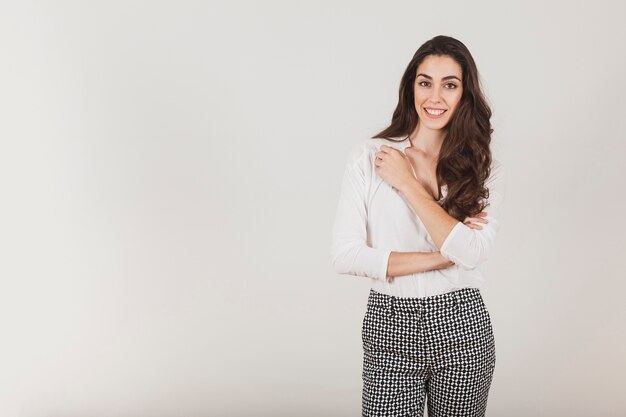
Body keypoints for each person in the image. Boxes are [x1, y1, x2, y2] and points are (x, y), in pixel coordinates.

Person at [330, 35, 506, 417]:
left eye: (450, 85)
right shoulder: (370, 157)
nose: (435, 97)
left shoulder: (479, 164)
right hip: (390, 321)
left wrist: (408, 184)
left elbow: (473, 253)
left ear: (465, 94)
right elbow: (345, 255)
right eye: (425, 82)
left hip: (462, 323)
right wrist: (442, 256)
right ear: (411, 87)